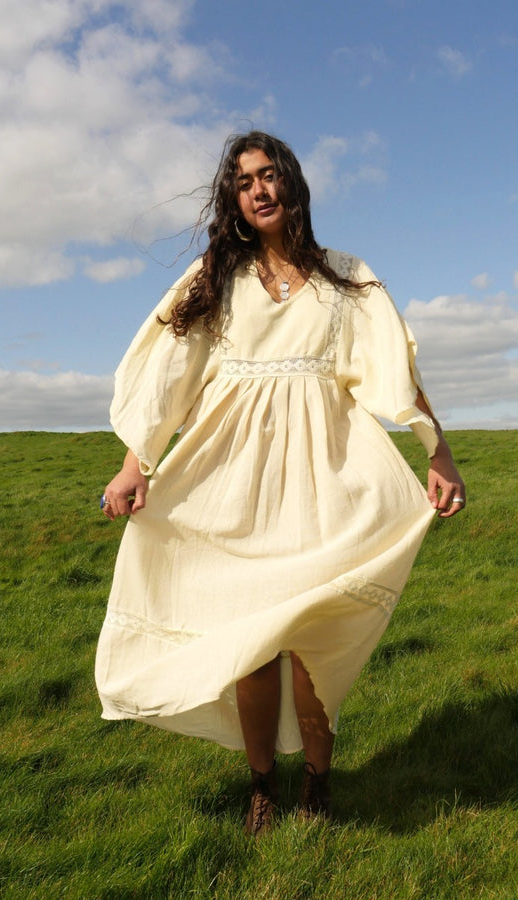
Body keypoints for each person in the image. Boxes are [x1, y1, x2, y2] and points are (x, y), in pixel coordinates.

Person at [96, 131, 465, 836]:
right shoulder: (215, 278)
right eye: (244, 181)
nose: (259, 189)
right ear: (233, 199)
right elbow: (166, 375)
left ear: (291, 183)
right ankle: (262, 783)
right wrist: (133, 464)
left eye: (269, 175)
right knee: (253, 649)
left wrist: (436, 452)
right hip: (230, 484)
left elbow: (394, 369)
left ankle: (319, 786)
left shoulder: (346, 278)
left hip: (326, 480)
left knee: (311, 643)